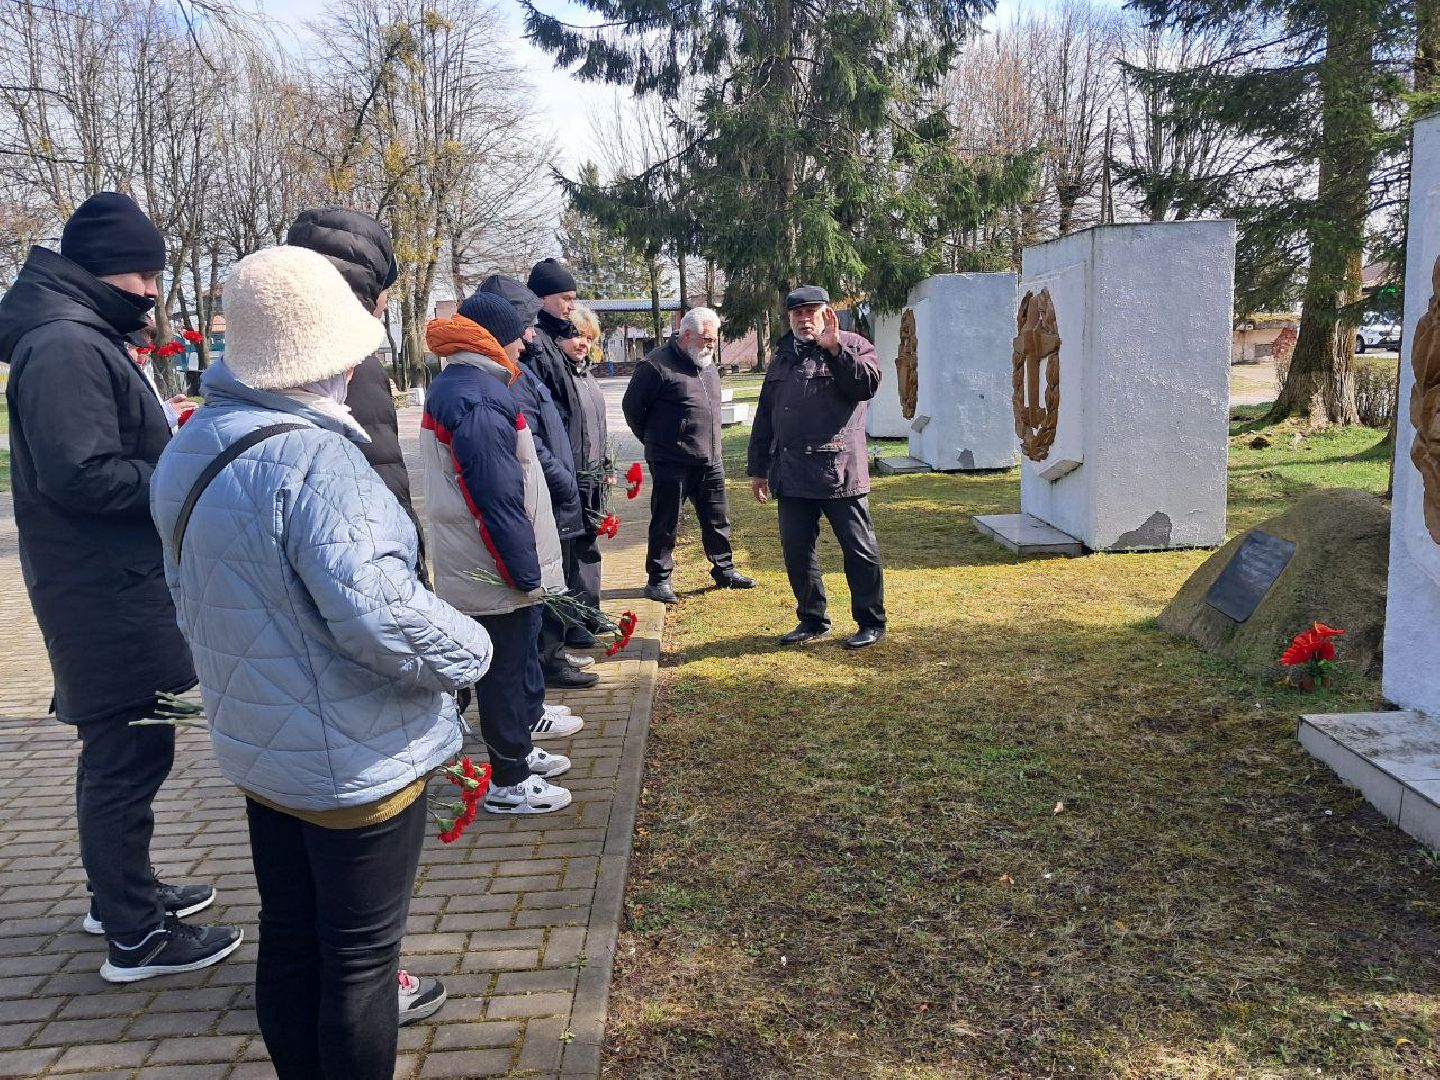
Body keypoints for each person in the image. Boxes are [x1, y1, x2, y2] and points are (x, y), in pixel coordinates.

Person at [150, 245, 491, 1080]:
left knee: (291, 936)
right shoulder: (316, 460)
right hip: (355, 756)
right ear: (329, 354)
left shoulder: (196, 443)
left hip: (262, 748)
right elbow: (382, 615)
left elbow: (185, 587)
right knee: (361, 961)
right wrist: (473, 650)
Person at [0, 191, 239, 982]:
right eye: (145, 272)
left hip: (114, 584)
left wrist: (159, 427)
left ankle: (124, 894)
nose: (151, 291)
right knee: (125, 757)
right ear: (109, 269)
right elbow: (82, 473)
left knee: (135, 751)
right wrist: (179, 469)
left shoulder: (79, 336)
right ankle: (134, 937)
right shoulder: (65, 345)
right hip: (104, 593)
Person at [422, 291, 583, 813]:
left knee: (507, 670)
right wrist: (524, 572)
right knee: (504, 674)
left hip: (483, 563)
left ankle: (515, 753)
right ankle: (509, 782)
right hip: (493, 570)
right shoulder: (480, 397)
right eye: (519, 332)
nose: (529, 339)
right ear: (493, 338)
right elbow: (496, 497)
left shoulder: (466, 384)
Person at [284, 209, 426, 575]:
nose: (387, 302)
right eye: (383, 288)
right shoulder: (351, 366)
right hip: (364, 567)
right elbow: (380, 473)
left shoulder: (278, 354)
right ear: (363, 286)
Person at [747, 286, 886, 649]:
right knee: (797, 552)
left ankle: (871, 621)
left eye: (812, 311)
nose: (804, 318)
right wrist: (758, 469)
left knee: (859, 550)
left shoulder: (853, 345)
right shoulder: (782, 355)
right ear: (789, 317)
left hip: (839, 470)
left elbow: (866, 385)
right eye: (797, 313)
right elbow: (766, 415)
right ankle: (812, 618)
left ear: (828, 313)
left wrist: (836, 349)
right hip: (791, 472)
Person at [478, 274, 596, 680]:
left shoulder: (521, 369)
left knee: (555, 575)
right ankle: (548, 660)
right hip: (544, 491)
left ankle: (553, 654)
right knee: (544, 581)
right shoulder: (508, 377)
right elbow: (531, 440)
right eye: (525, 327)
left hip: (554, 488)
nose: (531, 337)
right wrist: (563, 479)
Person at [622, 306, 754, 604]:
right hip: (672, 461)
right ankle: (658, 580)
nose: (711, 344)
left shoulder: (705, 363)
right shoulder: (655, 365)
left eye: (714, 339)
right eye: (707, 338)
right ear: (686, 334)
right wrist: (658, 442)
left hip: (710, 458)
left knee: (717, 519)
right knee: (666, 522)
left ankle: (724, 569)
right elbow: (632, 409)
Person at [524, 258, 601, 689]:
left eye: (573, 298)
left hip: (570, 466)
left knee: (570, 559)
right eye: (565, 298)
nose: (572, 307)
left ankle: (559, 644)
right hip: (555, 469)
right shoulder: (539, 345)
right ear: (541, 299)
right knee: (554, 565)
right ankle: (549, 657)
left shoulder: (554, 340)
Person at [555, 304, 613, 640]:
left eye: (588, 338)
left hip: (593, 477)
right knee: (568, 553)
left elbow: (600, 428)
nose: (582, 344)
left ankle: (591, 611)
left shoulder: (587, 376)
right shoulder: (559, 376)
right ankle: (571, 621)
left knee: (589, 547)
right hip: (569, 476)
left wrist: (606, 466)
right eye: (576, 335)